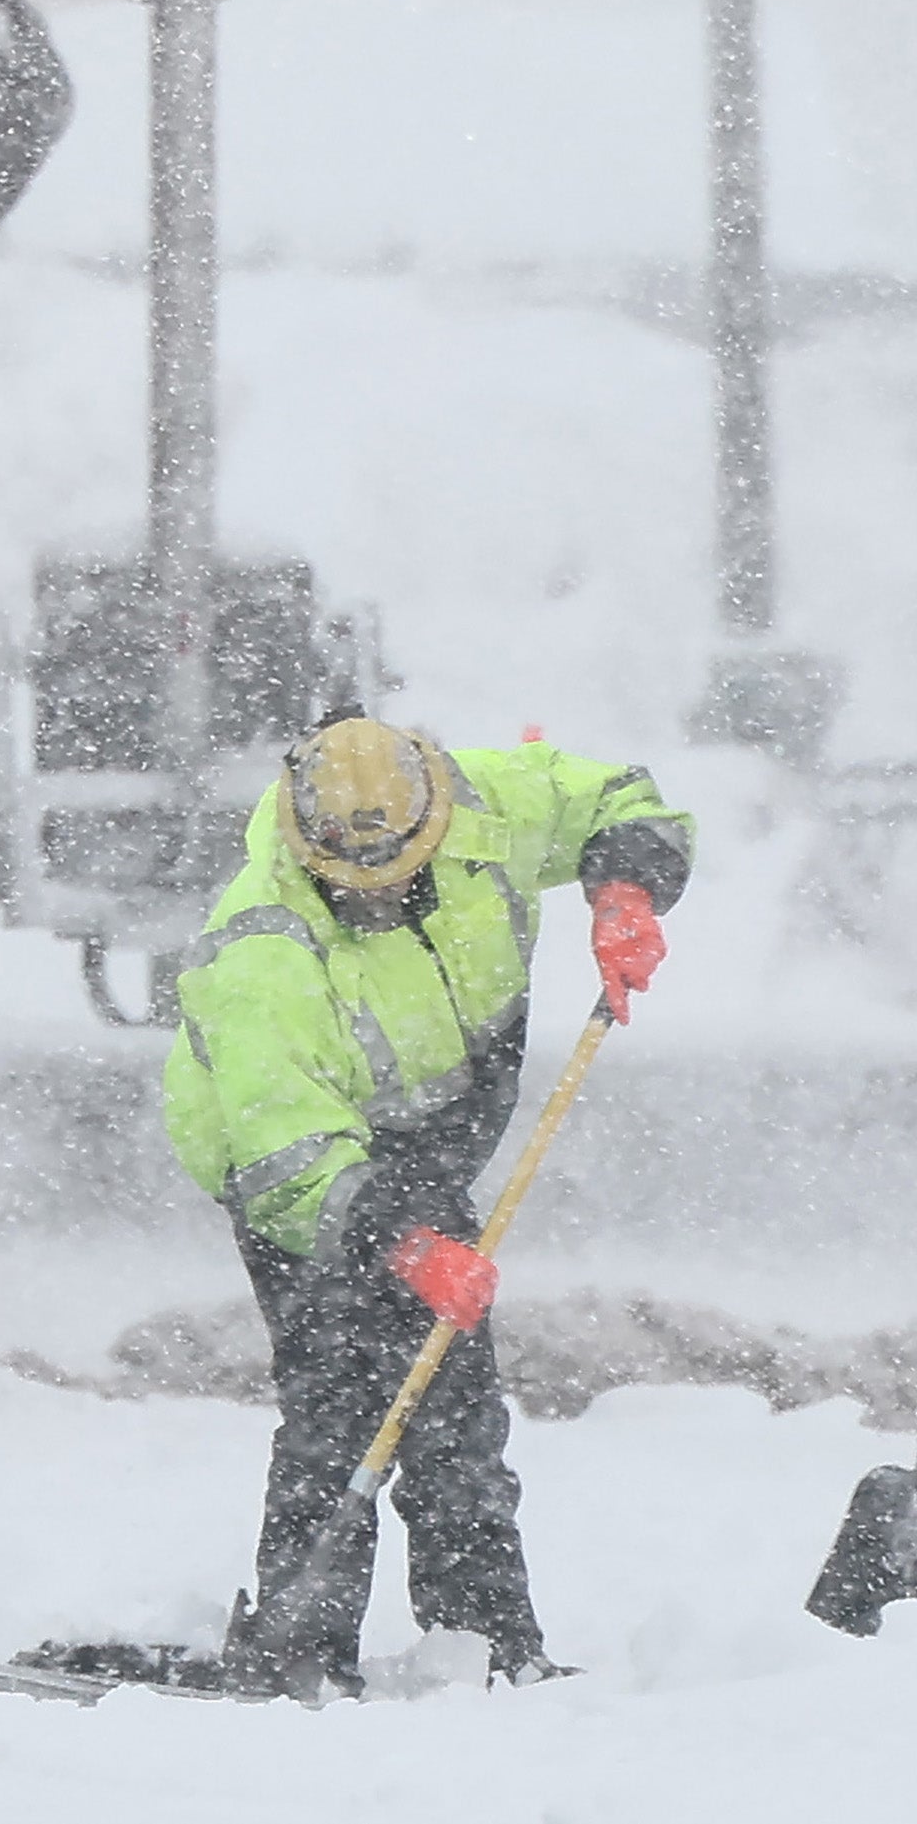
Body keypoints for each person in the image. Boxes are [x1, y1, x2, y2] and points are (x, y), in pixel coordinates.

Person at [160, 714, 693, 1693]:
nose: (384, 896)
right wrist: (406, 1247)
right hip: (304, 1175)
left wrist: (622, 888)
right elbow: (285, 1157)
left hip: (428, 1141)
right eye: (356, 888)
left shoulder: (479, 805)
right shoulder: (260, 953)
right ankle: (297, 1650)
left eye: (403, 870)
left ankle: (485, 1650)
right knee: (340, 1405)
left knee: (452, 1412)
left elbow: (613, 790)